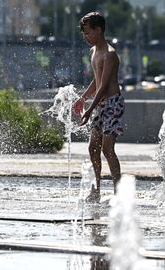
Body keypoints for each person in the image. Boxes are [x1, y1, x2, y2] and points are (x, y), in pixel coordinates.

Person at [72, 12, 124, 202]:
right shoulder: (94, 52)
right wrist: (83, 98)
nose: (86, 37)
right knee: (93, 146)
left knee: (107, 148)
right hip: (100, 103)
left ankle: (119, 192)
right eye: (84, 34)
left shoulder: (110, 54)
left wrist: (89, 109)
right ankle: (97, 189)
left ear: (99, 29)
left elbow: (104, 86)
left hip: (112, 103)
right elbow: (96, 80)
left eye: (88, 33)